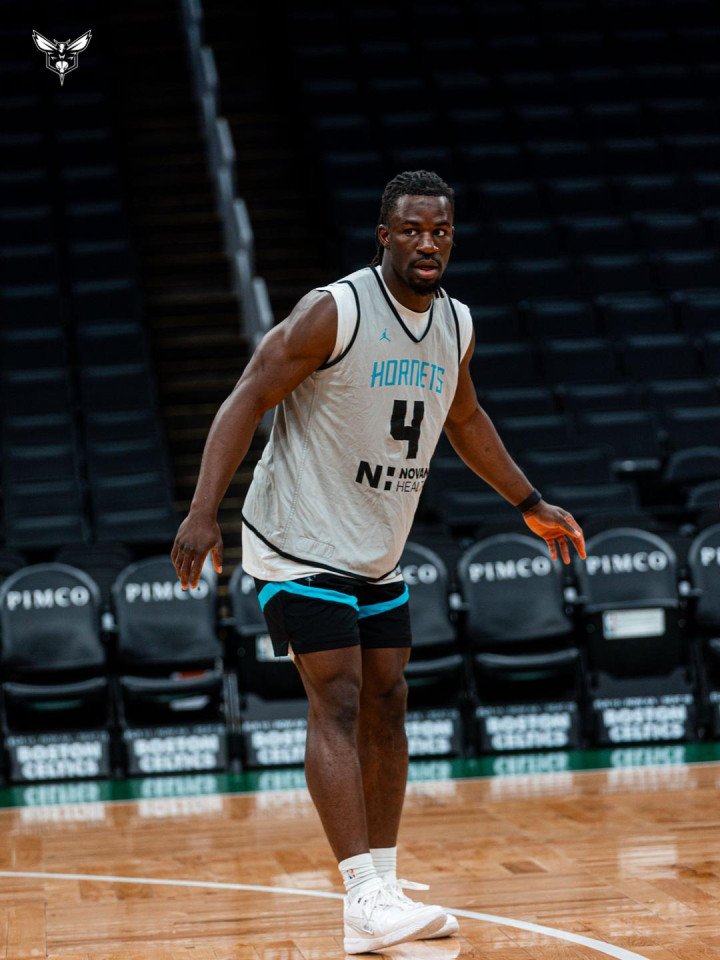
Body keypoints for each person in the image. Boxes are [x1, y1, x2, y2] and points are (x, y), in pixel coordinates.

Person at [171, 170, 586, 953]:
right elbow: (248, 395)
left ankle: (385, 882)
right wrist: (202, 513)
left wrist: (528, 500)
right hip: (296, 538)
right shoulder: (336, 311)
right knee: (337, 696)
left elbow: (465, 418)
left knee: (388, 699)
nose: (429, 243)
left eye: (442, 231)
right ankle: (361, 895)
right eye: (414, 229)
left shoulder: (456, 323)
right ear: (384, 235)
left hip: (375, 548)